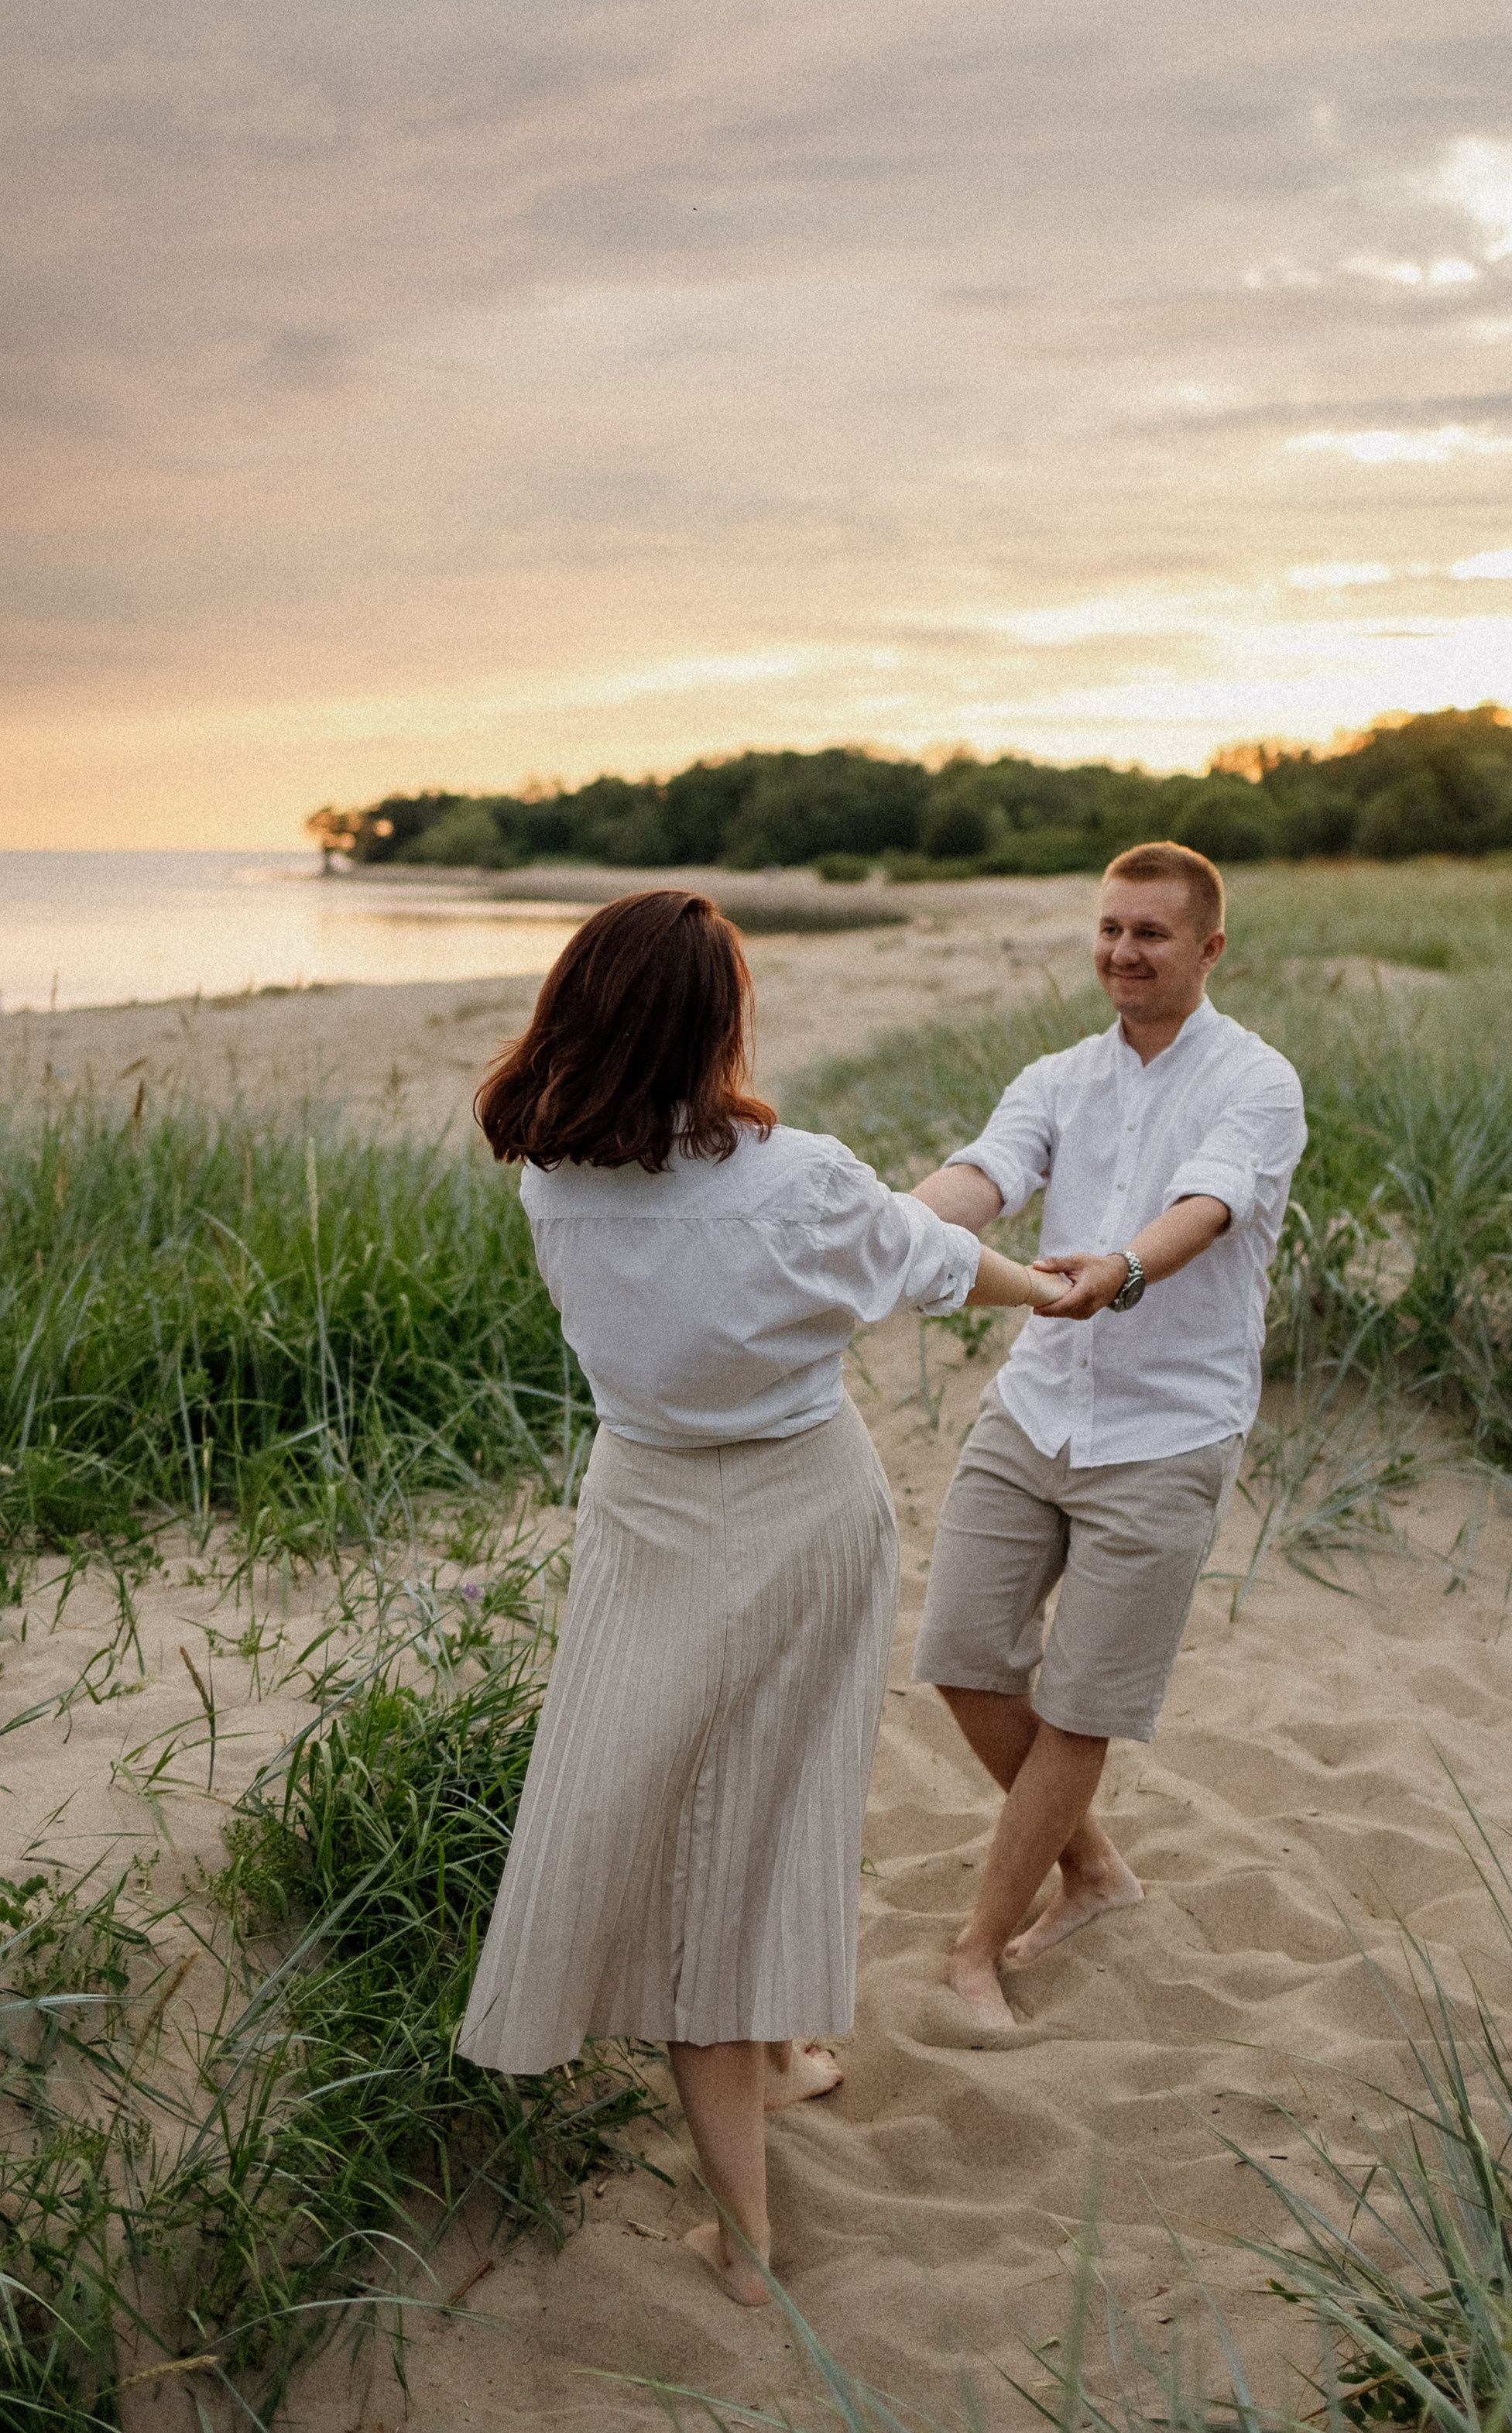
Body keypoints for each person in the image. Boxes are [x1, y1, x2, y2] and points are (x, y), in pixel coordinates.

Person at [457, 888, 1068, 2304]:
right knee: (759, 1816)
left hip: (648, 1511)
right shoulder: (798, 1174)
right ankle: (748, 2241)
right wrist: (1051, 1286)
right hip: (801, 1509)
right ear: (712, 1018)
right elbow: (933, 1266)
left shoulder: (552, 1172)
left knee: (707, 1802)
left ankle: (786, 2057)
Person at [908, 841, 1307, 2032]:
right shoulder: (1059, 1076)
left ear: (1209, 948)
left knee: (1081, 1705)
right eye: (1110, 929)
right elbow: (988, 1172)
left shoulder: (1256, 1080)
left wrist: (1124, 1264)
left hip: (1168, 1428)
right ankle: (1094, 1870)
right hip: (1037, 1403)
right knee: (963, 1653)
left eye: (1151, 933)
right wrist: (888, 1226)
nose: (1123, 952)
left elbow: (1210, 1201)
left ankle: (982, 1945)